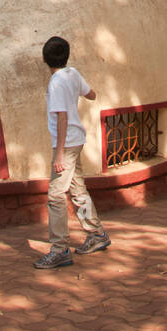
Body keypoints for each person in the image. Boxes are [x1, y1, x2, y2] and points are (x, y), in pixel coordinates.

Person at [33, 36, 111, 270]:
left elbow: (62, 117)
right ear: (65, 56)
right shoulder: (72, 74)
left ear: (45, 59)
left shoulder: (56, 82)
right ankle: (96, 233)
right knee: (77, 189)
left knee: (56, 195)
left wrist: (58, 155)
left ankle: (59, 249)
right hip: (77, 141)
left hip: (65, 145)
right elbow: (92, 94)